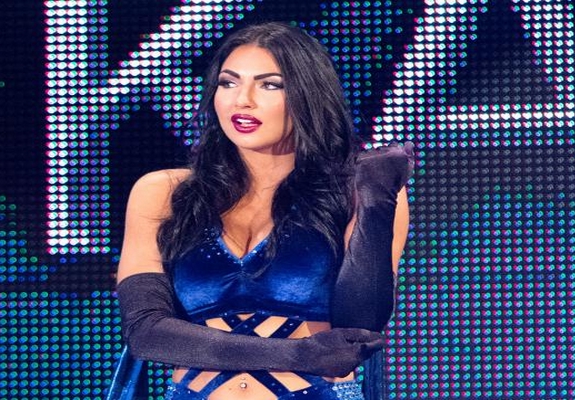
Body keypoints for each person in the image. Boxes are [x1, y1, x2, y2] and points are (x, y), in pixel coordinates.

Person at [114, 22, 412, 400]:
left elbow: (360, 325)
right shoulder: (163, 192)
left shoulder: (355, 190)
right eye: (228, 83)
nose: (243, 100)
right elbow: (146, 332)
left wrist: (376, 199)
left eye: (270, 85)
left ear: (307, 95)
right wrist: (296, 355)